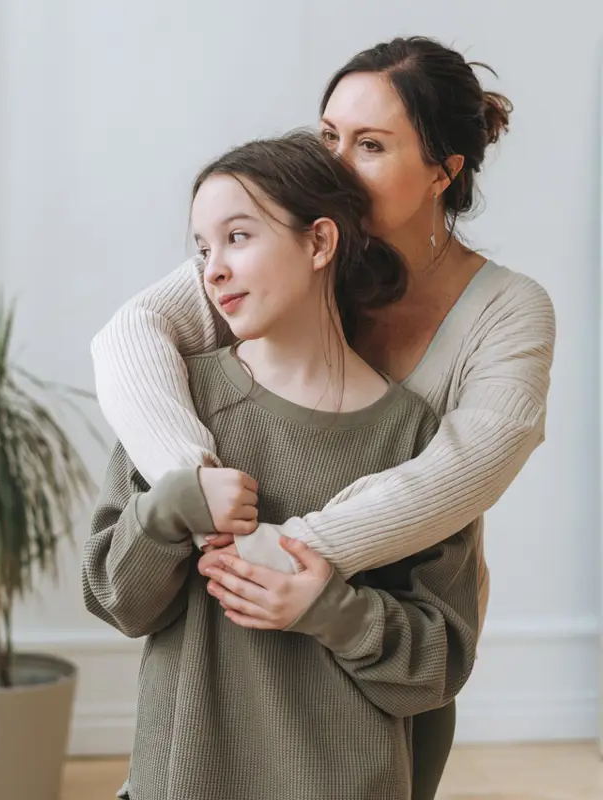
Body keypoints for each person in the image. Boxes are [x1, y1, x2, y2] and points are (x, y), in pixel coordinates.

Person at [89, 36, 556, 800]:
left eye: (370, 145)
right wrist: (192, 487)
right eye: (329, 135)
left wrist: (289, 560)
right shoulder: (284, 252)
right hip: (218, 698)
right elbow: (128, 338)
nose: (337, 163)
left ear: (444, 170)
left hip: (366, 668)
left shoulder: (506, 314)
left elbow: (458, 474)